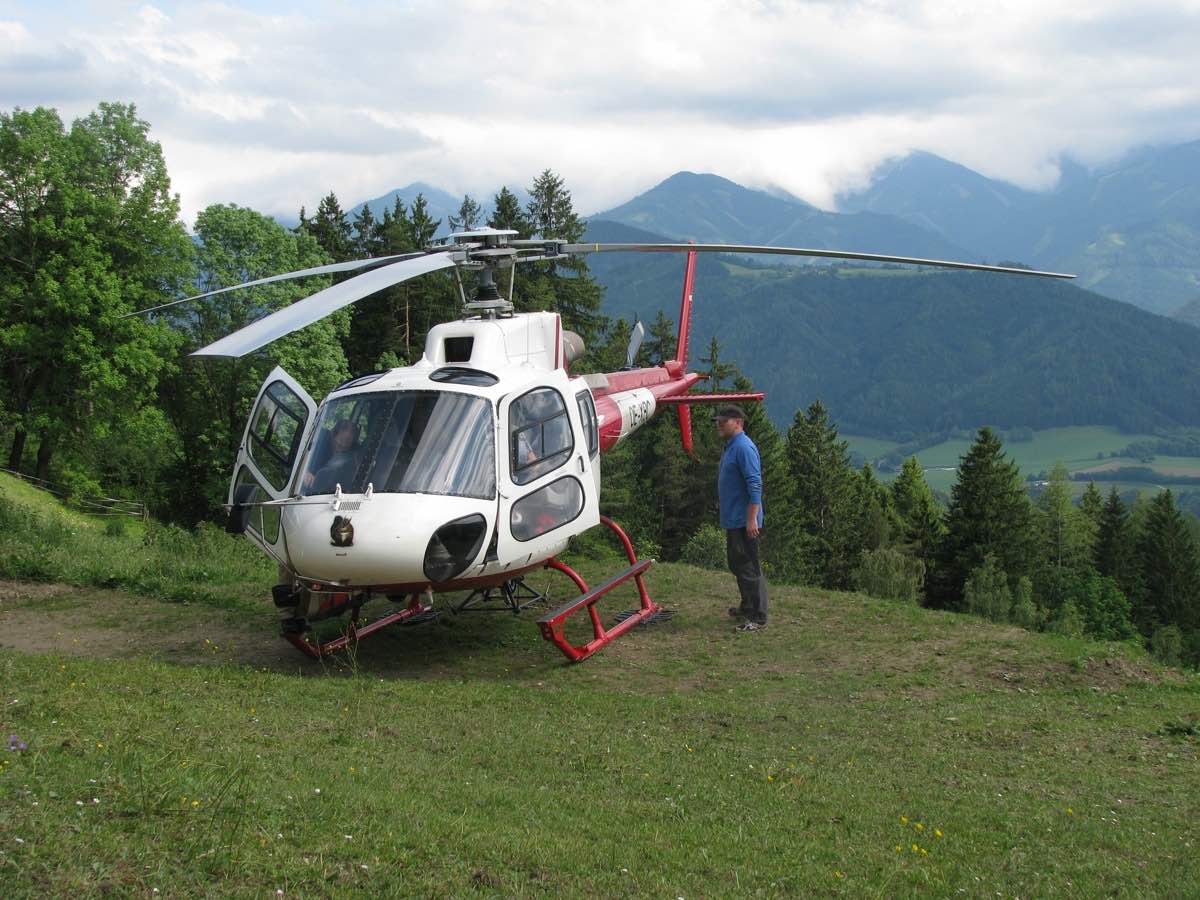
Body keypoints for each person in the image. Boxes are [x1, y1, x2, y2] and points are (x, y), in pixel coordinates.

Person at [715, 405, 768, 632]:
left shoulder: (744, 448)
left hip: (744, 521)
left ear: (738, 422)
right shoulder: (731, 446)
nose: (719, 423)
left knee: (748, 567)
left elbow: (755, 484)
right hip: (735, 519)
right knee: (737, 564)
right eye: (718, 420)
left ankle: (757, 617)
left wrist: (752, 519)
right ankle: (747, 607)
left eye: (723, 420)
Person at [303, 419, 362, 494]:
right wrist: (305, 471)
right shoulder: (318, 442)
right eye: (344, 429)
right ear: (334, 432)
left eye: (352, 432)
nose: (348, 435)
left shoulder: (353, 458)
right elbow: (300, 457)